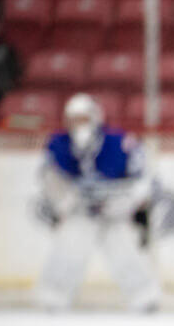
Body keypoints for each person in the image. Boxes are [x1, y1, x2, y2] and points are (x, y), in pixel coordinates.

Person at [35, 93, 162, 312]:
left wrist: (125, 203)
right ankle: (52, 297)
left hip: (114, 210)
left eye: (83, 118)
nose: (79, 125)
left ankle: (145, 298)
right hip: (81, 211)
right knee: (67, 250)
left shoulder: (120, 142)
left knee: (126, 252)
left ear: (96, 118)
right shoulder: (57, 144)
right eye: (74, 119)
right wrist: (67, 201)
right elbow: (48, 179)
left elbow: (144, 179)